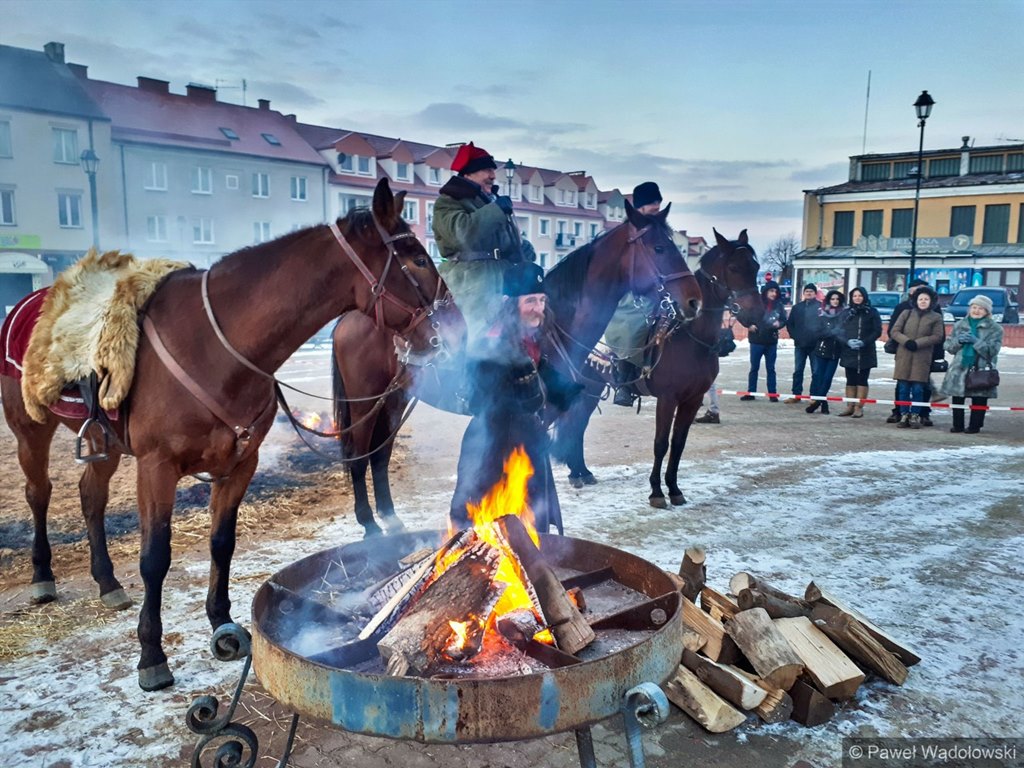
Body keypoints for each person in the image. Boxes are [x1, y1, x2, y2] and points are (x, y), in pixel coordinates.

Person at [449, 262, 581, 536]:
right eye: (530, 300)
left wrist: (565, 390)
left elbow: (539, 368)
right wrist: (524, 395)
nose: (539, 308)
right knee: (482, 520)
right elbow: (481, 399)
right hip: (491, 446)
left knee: (531, 521)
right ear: (509, 303)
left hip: (526, 440)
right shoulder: (490, 343)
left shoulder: (526, 337)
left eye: (542, 300)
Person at [433, 141, 536, 340]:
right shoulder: (448, 201)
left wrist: (523, 250)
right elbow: (461, 234)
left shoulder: (487, 201)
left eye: (493, 170)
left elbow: (505, 238)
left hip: (502, 276)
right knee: (476, 338)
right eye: (486, 170)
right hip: (471, 282)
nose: (493, 175)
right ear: (469, 173)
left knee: (512, 335)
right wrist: (496, 210)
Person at [607, 181, 663, 406]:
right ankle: (624, 383)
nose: (657, 208)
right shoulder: (626, 232)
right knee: (631, 325)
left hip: (658, 289)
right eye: (653, 204)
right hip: (628, 292)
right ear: (640, 208)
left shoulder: (658, 230)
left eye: (659, 203)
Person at [940, 294, 1003, 434]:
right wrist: (959, 341)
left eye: (980, 308)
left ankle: (975, 426)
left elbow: (992, 351)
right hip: (960, 367)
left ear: (987, 311)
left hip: (981, 368)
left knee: (979, 398)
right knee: (957, 397)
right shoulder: (960, 325)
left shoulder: (995, 329)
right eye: (974, 307)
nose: (976, 311)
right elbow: (949, 346)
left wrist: (976, 342)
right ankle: (958, 425)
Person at [884, 279, 943, 425]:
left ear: (931, 301)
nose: (923, 301)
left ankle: (916, 414)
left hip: (922, 357)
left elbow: (937, 336)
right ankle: (903, 414)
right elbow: (894, 330)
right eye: (920, 299)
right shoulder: (906, 313)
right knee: (903, 388)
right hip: (904, 355)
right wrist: (906, 341)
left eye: (926, 299)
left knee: (918, 389)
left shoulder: (936, 317)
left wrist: (918, 343)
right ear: (915, 300)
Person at [836, 287, 882, 418]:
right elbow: (839, 331)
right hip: (849, 350)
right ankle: (850, 405)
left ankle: (859, 407)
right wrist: (847, 341)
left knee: (862, 379)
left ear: (864, 297)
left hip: (865, 350)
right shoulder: (846, 313)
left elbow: (877, 331)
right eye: (855, 296)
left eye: (860, 296)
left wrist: (864, 342)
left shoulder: (872, 312)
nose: (857, 298)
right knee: (850, 379)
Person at [740, 280, 786, 402]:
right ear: (766, 291)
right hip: (756, 340)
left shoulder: (779, 305)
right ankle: (751, 392)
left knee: (771, 369)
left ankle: (772, 393)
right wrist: (748, 325)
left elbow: (783, 319)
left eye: (776, 291)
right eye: (771, 291)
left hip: (771, 341)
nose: (774, 293)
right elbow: (741, 314)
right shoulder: (755, 304)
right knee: (754, 368)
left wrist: (779, 324)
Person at [805, 290, 845, 414]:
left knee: (827, 379)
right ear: (828, 300)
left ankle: (817, 401)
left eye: (837, 299)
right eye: (833, 299)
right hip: (821, 350)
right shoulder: (822, 314)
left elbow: (844, 332)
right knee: (818, 377)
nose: (835, 301)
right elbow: (817, 332)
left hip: (835, 352)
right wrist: (831, 333)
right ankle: (823, 403)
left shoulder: (843, 315)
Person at [783, 283, 820, 403]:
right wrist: (795, 336)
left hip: (815, 345)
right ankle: (796, 395)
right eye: (807, 291)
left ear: (815, 293)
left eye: (811, 291)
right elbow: (790, 324)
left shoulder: (820, 307)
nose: (809, 293)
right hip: (800, 345)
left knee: (816, 371)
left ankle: (814, 396)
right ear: (803, 293)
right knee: (798, 370)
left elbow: (824, 325)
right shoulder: (797, 307)